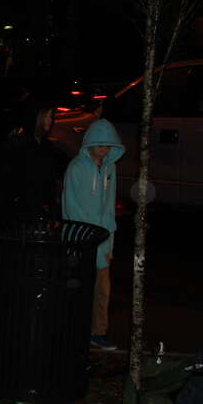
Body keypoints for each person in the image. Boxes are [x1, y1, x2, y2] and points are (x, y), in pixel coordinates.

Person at [62, 118, 124, 351]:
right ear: (89, 143)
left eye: (108, 145)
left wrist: (108, 242)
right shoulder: (76, 167)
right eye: (100, 144)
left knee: (102, 291)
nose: (104, 149)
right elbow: (71, 206)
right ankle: (75, 331)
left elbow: (109, 206)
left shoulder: (110, 168)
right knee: (79, 290)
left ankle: (98, 332)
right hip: (81, 241)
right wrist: (85, 237)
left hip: (103, 240)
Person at [0, 102, 62, 221]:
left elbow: (49, 179)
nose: (49, 120)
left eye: (51, 116)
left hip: (41, 209)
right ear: (36, 118)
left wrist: (52, 204)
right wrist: (14, 200)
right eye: (45, 116)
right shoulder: (16, 144)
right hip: (19, 210)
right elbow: (4, 176)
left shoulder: (47, 146)